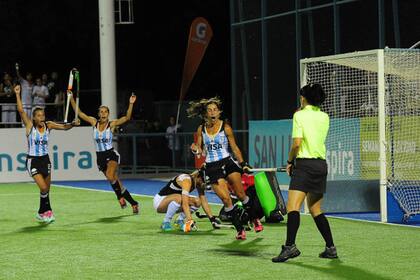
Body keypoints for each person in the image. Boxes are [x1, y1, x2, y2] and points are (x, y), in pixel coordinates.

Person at [272, 83, 338, 263]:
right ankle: (330, 248)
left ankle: (290, 247)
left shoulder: (299, 115)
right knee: (315, 209)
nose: (300, 98)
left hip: (305, 165)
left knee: (293, 207)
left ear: (305, 98)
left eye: (302, 96)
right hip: (321, 166)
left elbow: (297, 143)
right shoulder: (325, 117)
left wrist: (289, 162)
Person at [188, 97, 255, 240]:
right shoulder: (201, 129)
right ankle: (239, 230)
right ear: (206, 113)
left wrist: (243, 163)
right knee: (226, 200)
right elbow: (200, 151)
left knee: (241, 195)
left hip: (227, 162)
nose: (212, 112)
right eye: (209, 110)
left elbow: (235, 148)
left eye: (215, 110)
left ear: (219, 112)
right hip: (212, 166)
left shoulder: (226, 127)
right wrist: (195, 149)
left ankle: (254, 218)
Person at [15, 83, 79, 223]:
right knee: (43, 187)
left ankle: (41, 213)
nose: (41, 117)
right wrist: (18, 94)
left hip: (45, 160)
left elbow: (64, 127)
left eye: (42, 114)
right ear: (34, 117)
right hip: (33, 160)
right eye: (38, 115)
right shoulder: (30, 126)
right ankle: (48, 212)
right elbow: (20, 110)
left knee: (46, 190)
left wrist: (73, 124)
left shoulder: (48, 125)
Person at [70, 93, 140, 214]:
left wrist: (131, 103)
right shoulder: (93, 122)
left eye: (105, 112)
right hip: (100, 157)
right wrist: (71, 98)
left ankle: (119, 197)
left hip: (111, 154)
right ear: (98, 114)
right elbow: (80, 113)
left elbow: (127, 117)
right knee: (116, 182)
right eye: (101, 112)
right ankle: (134, 203)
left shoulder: (111, 124)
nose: (103, 114)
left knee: (109, 175)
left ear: (108, 114)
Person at [153, 169, 219, 232]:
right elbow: (185, 203)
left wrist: (212, 219)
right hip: (160, 201)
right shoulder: (186, 180)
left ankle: (180, 220)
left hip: (175, 201)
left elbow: (203, 201)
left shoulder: (197, 182)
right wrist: (190, 220)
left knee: (198, 201)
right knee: (179, 198)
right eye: (204, 182)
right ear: (199, 177)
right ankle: (165, 222)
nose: (204, 185)